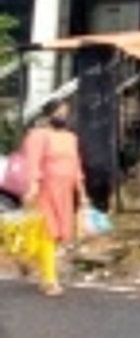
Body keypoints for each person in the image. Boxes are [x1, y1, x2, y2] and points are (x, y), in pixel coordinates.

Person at [22, 101, 88, 297]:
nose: (63, 117)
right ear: (48, 115)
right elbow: (33, 163)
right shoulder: (37, 136)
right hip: (45, 190)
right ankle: (50, 280)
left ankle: (28, 257)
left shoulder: (71, 138)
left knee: (60, 234)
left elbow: (76, 166)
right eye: (59, 113)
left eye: (65, 113)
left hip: (65, 192)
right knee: (48, 233)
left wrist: (82, 192)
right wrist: (33, 186)